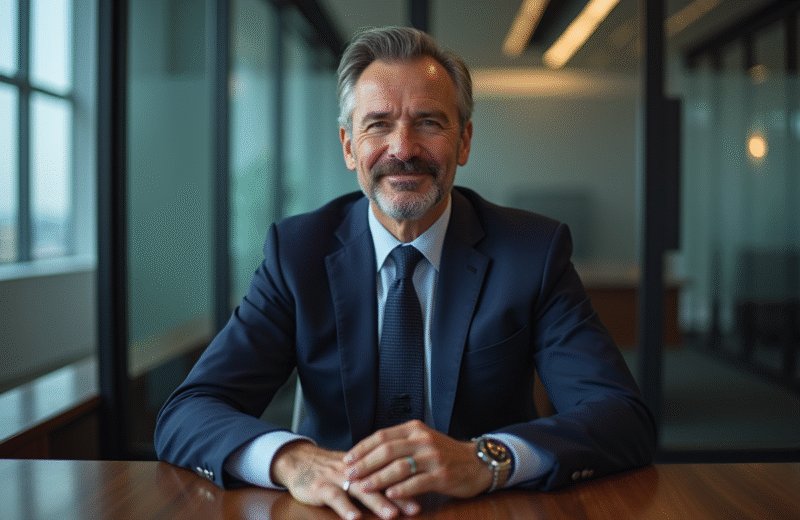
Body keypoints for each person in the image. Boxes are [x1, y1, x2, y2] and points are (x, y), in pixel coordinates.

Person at [155, 26, 656, 520]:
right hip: (334, 511)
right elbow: (189, 411)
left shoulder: (532, 253)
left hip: (483, 509)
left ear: (463, 141)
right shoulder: (298, 253)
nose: (403, 149)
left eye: (429, 123)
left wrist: (487, 458)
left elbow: (621, 417)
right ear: (349, 146)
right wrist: (288, 459)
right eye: (378, 124)